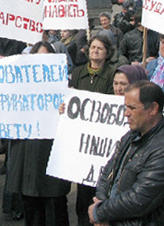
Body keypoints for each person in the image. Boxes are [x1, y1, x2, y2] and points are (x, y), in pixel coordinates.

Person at [89, 81, 164, 225]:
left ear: (153, 108)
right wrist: (101, 206)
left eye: (132, 108)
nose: (126, 113)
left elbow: (140, 199)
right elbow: (108, 172)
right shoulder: (132, 136)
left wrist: (100, 212)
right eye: (125, 107)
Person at [7, 42, 70, 226]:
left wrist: (66, 109)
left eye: (47, 56)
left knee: (54, 202)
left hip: (52, 151)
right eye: (39, 56)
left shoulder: (65, 84)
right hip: (27, 151)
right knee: (31, 201)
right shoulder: (19, 83)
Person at [70, 34, 115, 226]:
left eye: (100, 48)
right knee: (83, 190)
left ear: (107, 53)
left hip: (101, 140)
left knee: (99, 187)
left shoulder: (113, 74)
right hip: (81, 139)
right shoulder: (78, 72)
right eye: (93, 47)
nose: (95, 51)